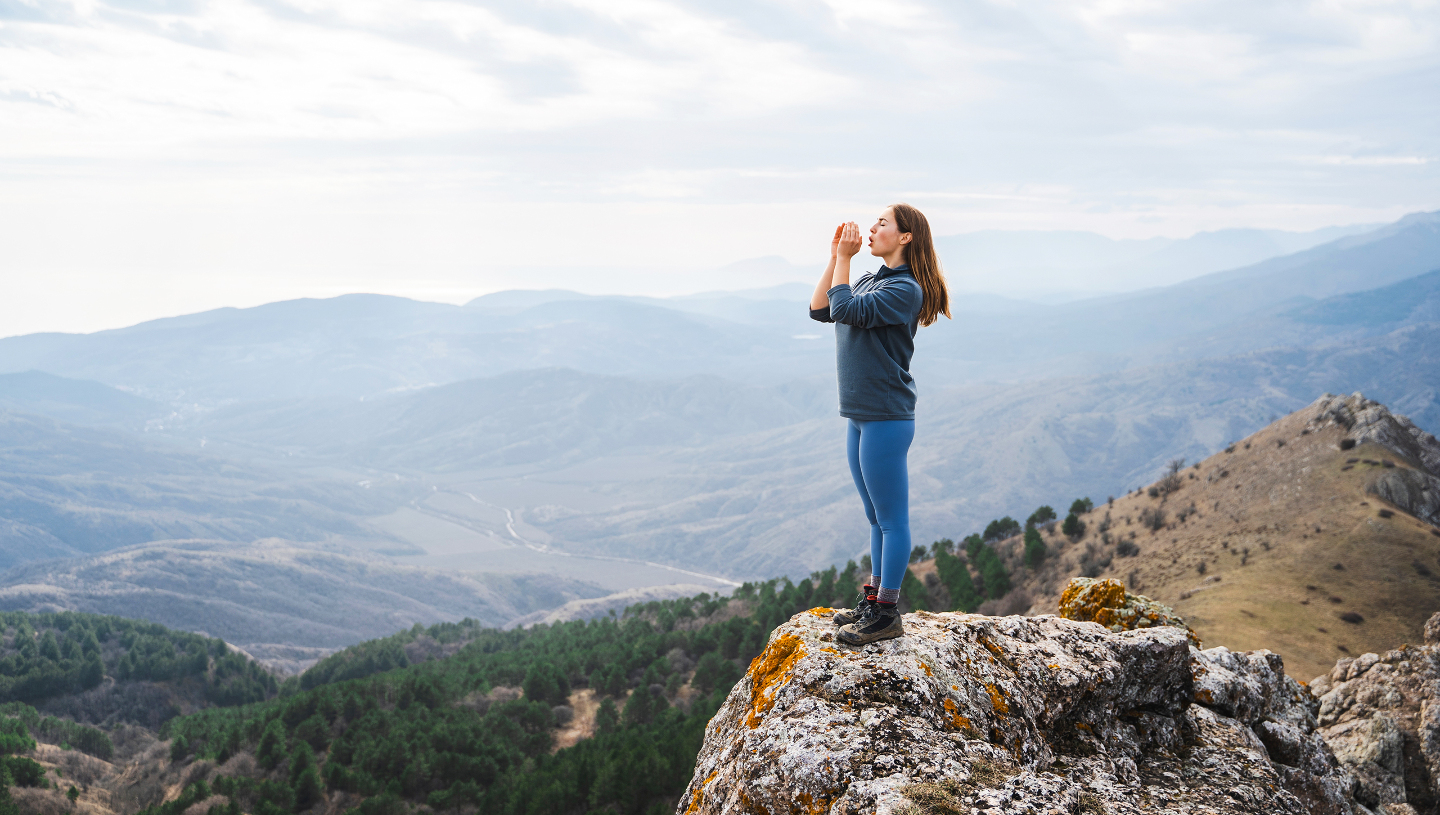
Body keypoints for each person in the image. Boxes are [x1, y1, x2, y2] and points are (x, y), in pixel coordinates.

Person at [809, 204, 950, 645]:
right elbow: (821, 309)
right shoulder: (875, 281)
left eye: (882, 224)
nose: (871, 229)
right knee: (874, 516)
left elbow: (846, 310)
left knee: (892, 519)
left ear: (905, 237)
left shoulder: (906, 289)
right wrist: (836, 256)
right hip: (860, 416)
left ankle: (887, 613)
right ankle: (874, 601)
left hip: (887, 418)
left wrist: (847, 262)